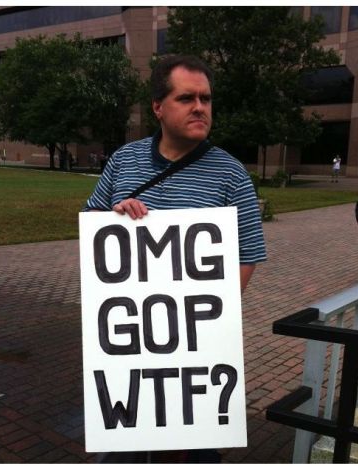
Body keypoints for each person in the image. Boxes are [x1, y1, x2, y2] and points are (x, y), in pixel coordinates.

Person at [83, 55, 266, 462]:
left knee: (191, 447)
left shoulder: (232, 175)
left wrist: (205, 319)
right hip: (131, 344)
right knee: (125, 448)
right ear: (158, 107)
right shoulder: (123, 161)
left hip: (193, 351)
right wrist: (111, 216)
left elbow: (248, 254)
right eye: (186, 98)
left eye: (206, 98)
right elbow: (91, 223)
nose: (200, 107)